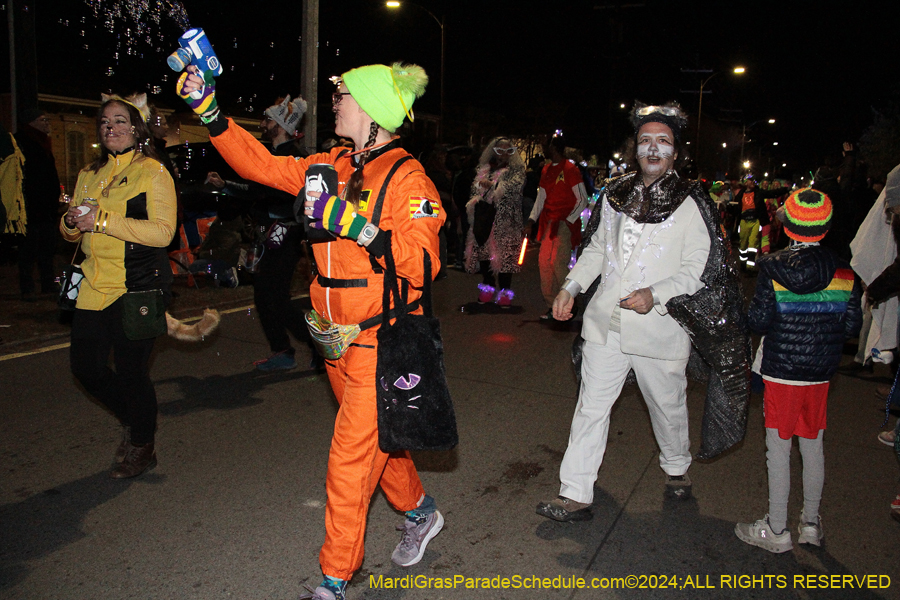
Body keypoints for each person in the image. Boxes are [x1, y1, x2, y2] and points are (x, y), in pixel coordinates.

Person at [177, 61, 445, 600]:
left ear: (371, 110)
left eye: (344, 94)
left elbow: (424, 262)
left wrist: (358, 226)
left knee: (348, 459)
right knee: (382, 442)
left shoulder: (410, 178)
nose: (336, 101)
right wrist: (210, 111)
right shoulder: (331, 162)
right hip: (332, 335)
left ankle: (334, 579)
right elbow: (264, 165)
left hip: (381, 340)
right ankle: (421, 511)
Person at [536, 103, 713, 521]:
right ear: (635, 148)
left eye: (663, 142)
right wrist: (570, 287)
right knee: (590, 407)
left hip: (659, 329)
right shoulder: (616, 194)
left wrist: (656, 294)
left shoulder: (692, 202)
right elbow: (598, 248)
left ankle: (676, 468)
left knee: (666, 408)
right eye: (645, 141)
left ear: (675, 151)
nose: (653, 149)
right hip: (605, 324)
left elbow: (698, 270)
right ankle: (575, 492)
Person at [735, 188, 862, 552]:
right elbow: (852, 327)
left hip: (781, 371)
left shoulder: (773, 269)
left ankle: (776, 529)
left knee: (778, 449)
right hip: (820, 373)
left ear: (788, 226)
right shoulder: (843, 272)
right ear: (825, 227)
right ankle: (810, 523)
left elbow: (758, 321)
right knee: (813, 445)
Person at [59, 96, 177, 479]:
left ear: (137, 128)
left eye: (121, 121)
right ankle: (138, 421)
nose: (112, 128)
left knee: (131, 373)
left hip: (136, 288)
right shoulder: (87, 174)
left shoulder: (152, 172)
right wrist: (71, 222)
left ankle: (142, 444)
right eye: (106, 122)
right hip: (93, 285)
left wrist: (102, 221)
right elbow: (72, 229)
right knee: (86, 369)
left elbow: (163, 233)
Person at [206, 95, 315, 371]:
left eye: (268, 120)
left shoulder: (293, 158)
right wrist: (228, 185)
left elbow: (262, 193)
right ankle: (291, 349)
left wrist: (230, 186)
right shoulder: (275, 156)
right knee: (269, 297)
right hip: (271, 236)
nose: (262, 124)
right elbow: (257, 192)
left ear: (280, 125)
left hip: (285, 236)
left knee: (272, 297)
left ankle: (312, 346)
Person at [524, 133, 589, 319]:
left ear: (554, 148)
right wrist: (531, 220)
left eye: (546, 146)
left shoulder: (570, 169)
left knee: (558, 263)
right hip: (548, 222)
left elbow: (582, 198)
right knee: (544, 262)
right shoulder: (546, 170)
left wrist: (569, 219)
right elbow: (541, 198)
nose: (543, 150)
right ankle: (552, 305)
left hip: (563, 223)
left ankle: (570, 301)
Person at [464, 136, 525, 306]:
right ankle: (488, 287)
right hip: (485, 218)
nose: (504, 154)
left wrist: (493, 186)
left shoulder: (516, 170)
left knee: (505, 257)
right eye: (500, 150)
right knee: (484, 253)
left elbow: (513, 191)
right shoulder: (485, 169)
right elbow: (474, 191)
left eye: (508, 150)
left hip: (506, 220)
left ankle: (505, 292)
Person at [15, 108, 62, 301]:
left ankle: (47, 282)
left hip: (46, 207)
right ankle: (27, 286)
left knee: (47, 247)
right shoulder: (23, 142)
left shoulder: (43, 143)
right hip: (31, 206)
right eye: (43, 120)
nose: (47, 123)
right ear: (32, 122)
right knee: (29, 248)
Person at [732, 175, 788, 271]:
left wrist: (785, 189)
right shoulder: (741, 194)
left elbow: (771, 193)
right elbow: (736, 207)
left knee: (753, 244)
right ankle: (742, 263)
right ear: (746, 183)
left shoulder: (758, 192)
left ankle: (750, 267)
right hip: (744, 221)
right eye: (750, 180)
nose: (753, 182)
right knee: (743, 244)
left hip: (755, 221)